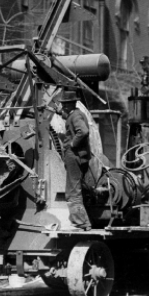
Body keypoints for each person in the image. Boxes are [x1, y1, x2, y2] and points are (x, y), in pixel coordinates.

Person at [59, 89, 92, 231]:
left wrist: (73, 143)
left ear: (69, 105)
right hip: (79, 156)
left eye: (64, 105)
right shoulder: (76, 114)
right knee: (76, 190)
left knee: (72, 192)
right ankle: (83, 221)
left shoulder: (75, 116)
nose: (62, 107)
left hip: (74, 156)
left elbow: (83, 131)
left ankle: (80, 222)